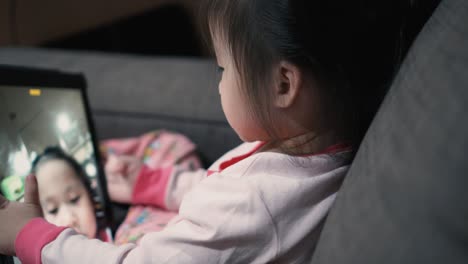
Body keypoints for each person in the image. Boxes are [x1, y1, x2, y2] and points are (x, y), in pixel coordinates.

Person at [0, 0, 411, 262]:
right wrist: (155, 182)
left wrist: (30, 235)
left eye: (222, 68)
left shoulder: (252, 202)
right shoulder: (321, 153)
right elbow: (234, 200)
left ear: (283, 84)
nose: (218, 82)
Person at [30, 147, 99, 239]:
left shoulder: (117, 241)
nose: (69, 220)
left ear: (90, 195)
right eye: (53, 210)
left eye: (74, 199)